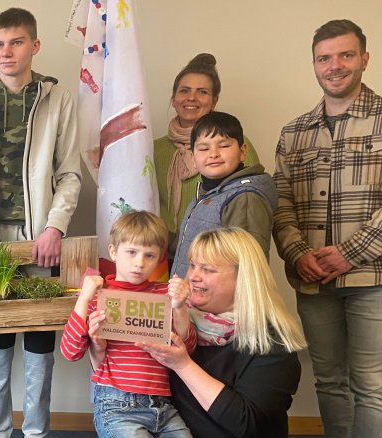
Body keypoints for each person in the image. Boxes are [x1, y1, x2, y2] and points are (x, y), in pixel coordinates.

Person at [0, 8, 81, 437]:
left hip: (40, 240)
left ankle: (37, 432)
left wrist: (54, 228)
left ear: (35, 46)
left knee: (41, 343)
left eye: (16, 42)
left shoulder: (57, 99)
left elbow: (68, 173)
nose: (6, 53)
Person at [273, 19, 382, 437]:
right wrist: (298, 253)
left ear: (364, 59)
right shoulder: (294, 133)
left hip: (372, 278)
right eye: (325, 58)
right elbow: (280, 203)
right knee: (329, 381)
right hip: (313, 280)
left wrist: (347, 253)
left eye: (345, 55)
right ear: (314, 64)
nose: (334, 66)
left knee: (372, 385)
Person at [140, 227, 307, 437]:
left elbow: (247, 424)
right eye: (192, 265)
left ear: (243, 278)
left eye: (207, 269)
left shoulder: (273, 342)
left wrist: (183, 365)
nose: (193, 277)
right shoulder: (175, 321)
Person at [60, 210, 194, 437]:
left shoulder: (165, 296)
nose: (139, 263)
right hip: (116, 404)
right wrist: (84, 298)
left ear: (160, 257)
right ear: (113, 251)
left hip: (162, 404)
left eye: (149, 255)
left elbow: (187, 349)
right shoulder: (100, 295)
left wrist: (180, 307)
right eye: (131, 252)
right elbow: (70, 352)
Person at [153, 53, 260, 261]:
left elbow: (249, 203)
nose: (191, 98)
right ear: (173, 99)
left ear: (214, 101)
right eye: (184, 91)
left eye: (202, 92)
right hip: (160, 256)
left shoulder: (233, 144)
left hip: (215, 256)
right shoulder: (153, 149)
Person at [170, 111, 276, 278]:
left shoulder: (245, 198)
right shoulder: (206, 194)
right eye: (204, 148)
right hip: (192, 299)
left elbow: (244, 269)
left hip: (219, 302)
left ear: (242, 151)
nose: (213, 154)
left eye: (224, 146)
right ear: (193, 158)